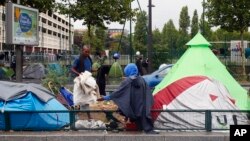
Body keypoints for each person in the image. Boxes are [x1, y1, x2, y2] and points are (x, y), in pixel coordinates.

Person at [97, 63, 158, 134]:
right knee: (141, 118)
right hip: (142, 106)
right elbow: (148, 93)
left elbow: (118, 92)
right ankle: (144, 128)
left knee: (128, 114)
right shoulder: (142, 80)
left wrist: (105, 97)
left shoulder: (128, 81)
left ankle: (135, 128)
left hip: (132, 106)